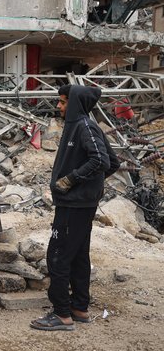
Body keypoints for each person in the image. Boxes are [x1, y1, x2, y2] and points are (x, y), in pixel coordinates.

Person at [30, 84, 119, 331]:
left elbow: (101, 160)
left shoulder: (84, 126)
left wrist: (72, 182)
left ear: (75, 103)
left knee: (57, 256)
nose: (59, 106)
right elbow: (112, 162)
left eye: (62, 102)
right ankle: (79, 307)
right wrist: (90, 187)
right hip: (79, 203)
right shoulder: (82, 127)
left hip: (74, 205)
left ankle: (61, 314)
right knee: (79, 256)